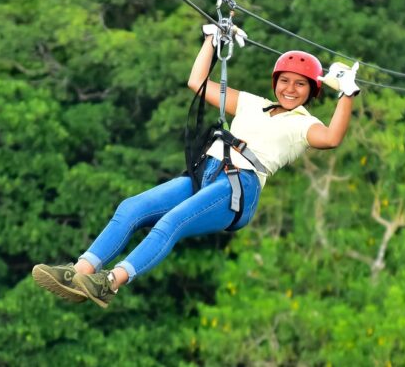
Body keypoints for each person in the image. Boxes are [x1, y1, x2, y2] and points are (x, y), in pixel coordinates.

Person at [32, 23, 359, 307]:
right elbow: (197, 81)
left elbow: (331, 137)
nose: (290, 89)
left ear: (312, 90)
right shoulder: (252, 104)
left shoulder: (304, 125)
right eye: (285, 81)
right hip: (206, 172)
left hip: (237, 188)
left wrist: (347, 94)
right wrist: (212, 40)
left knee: (171, 222)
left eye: (300, 84)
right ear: (275, 82)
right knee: (132, 208)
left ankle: (110, 283)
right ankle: (80, 274)